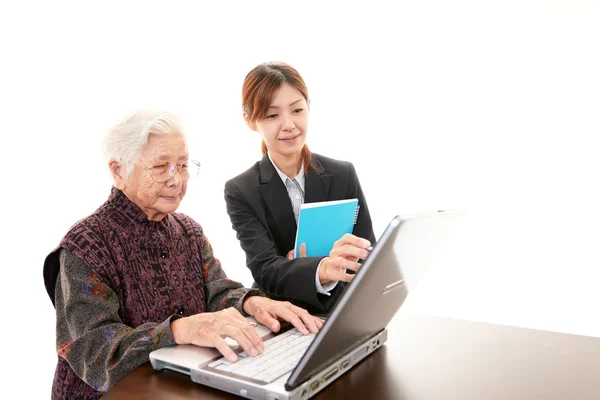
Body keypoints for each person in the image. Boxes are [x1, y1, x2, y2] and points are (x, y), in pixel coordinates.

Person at [42, 110, 323, 399]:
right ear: (118, 171)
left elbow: (216, 292)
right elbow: (96, 350)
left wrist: (253, 303)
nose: (176, 179)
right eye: (161, 166)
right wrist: (178, 329)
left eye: (183, 164)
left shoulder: (188, 230)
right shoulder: (84, 245)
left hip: (179, 389)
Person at [224, 62, 376, 314]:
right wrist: (321, 268)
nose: (289, 125)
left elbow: (367, 251)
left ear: (308, 107)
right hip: (280, 315)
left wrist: (299, 266)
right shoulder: (241, 190)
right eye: (272, 115)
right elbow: (265, 270)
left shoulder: (342, 174)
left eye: (297, 110)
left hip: (340, 309)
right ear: (250, 120)